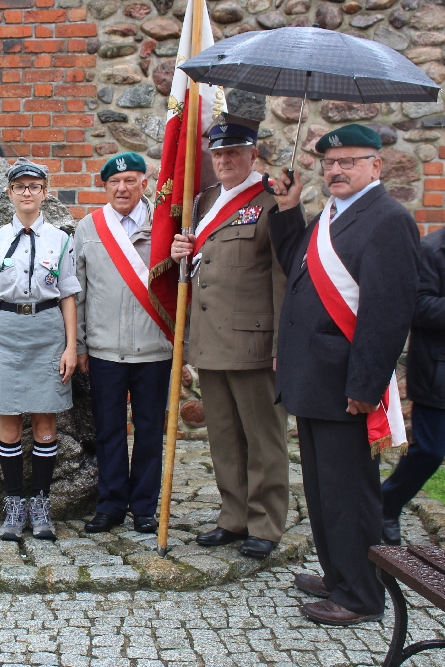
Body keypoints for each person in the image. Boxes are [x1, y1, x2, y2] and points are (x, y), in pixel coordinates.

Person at [269, 124, 419, 626]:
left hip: (344, 384)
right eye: (329, 163)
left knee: (349, 494)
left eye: (348, 162)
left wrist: (364, 386)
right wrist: (289, 210)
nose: (335, 170)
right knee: (323, 490)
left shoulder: (388, 220)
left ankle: (360, 596)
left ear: (376, 166)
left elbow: (388, 313)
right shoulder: (333, 213)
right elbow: (297, 267)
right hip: (314, 378)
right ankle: (340, 574)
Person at [169, 114, 289, 559]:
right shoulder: (203, 201)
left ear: (253, 154)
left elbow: (282, 278)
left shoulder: (273, 202)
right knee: (223, 436)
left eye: (234, 152)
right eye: (218, 153)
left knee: (263, 439)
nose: (224, 160)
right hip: (210, 340)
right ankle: (233, 517)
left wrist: (281, 346)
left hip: (254, 343)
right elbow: (204, 266)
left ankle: (266, 523)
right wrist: (182, 251)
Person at [0, 157, 81, 541]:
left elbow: (68, 294)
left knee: (45, 419)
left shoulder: (60, 239)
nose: (27, 193)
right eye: (20, 186)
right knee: (7, 417)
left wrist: (71, 346)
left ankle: (40, 501)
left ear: (44, 193)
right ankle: (14, 502)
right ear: (9, 192)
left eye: (34, 186)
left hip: (47, 328)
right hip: (6, 330)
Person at [382, 174, 445, 547]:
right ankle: (386, 504)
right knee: (430, 449)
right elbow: (417, 307)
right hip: (441, 369)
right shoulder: (432, 249)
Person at [75, 152, 173, 534]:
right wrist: (81, 344)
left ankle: (145, 507)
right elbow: (78, 292)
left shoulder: (166, 226)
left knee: (150, 430)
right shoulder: (87, 228)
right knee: (109, 430)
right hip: (104, 349)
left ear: (144, 184)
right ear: (104, 187)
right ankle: (112, 503)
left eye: (130, 180)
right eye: (114, 182)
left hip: (154, 349)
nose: (122, 188)